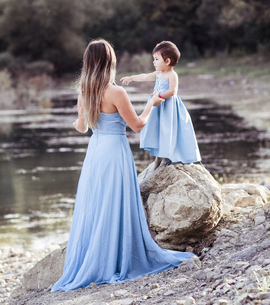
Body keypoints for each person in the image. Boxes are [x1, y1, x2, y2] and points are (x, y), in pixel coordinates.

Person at [51, 39, 194, 292]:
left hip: (95, 153)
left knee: (97, 205)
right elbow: (138, 125)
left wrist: (79, 119)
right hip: (115, 152)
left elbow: (82, 127)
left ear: (88, 63)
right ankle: (116, 257)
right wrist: (151, 104)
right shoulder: (116, 92)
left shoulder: (84, 90)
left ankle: (95, 257)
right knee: (116, 203)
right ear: (110, 62)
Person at [121, 41, 201, 170]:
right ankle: (158, 157)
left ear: (167, 61)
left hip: (168, 107)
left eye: (156, 59)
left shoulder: (172, 74)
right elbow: (145, 76)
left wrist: (159, 96)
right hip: (157, 107)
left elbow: (173, 91)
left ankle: (169, 156)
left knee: (167, 130)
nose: (154, 62)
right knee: (156, 129)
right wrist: (131, 78)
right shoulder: (158, 73)